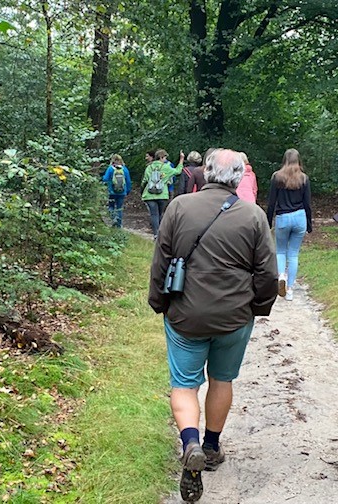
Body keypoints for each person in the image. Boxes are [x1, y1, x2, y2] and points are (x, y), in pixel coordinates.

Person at [148, 149, 278, 502]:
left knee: (184, 384)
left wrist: (159, 302)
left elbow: (161, 261)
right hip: (234, 317)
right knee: (222, 379)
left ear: (205, 172)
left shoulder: (178, 207)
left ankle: (190, 443)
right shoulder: (253, 216)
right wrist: (257, 308)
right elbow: (267, 273)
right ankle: (211, 446)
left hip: (185, 315)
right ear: (239, 176)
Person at [266, 148, 312, 301]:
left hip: (283, 217)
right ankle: (290, 289)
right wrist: (309, 223)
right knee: (293, 254)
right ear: (298, 160)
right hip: (299, 217)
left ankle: (281, 276)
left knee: (280, 251)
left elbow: (271, 202)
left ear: (284, 160)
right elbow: (307, 203)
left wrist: (268, 222)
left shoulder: (277, 177)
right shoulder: (304, 178)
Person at [141, 149, 184, 238]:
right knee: (160, 214)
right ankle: (161, 234)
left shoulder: (149, 167)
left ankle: (156, 234)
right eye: (165, 157)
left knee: (154, 214)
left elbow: (144, 180)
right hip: (162, 195)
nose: (165, 159)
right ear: (161, 157)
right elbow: (178, 171)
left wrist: (142, 189)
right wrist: (181, 159)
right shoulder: (166, 167)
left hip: (149, 195)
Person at [102, 154, 131, 228]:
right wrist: (127, 190)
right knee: (119, 208)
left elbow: (105, 179)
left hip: (112, 192)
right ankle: (119, 224)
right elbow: (128, 181)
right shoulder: (124, 169)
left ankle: (113, 220)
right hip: (122, 192)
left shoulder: (110, 169)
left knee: (111, 206)